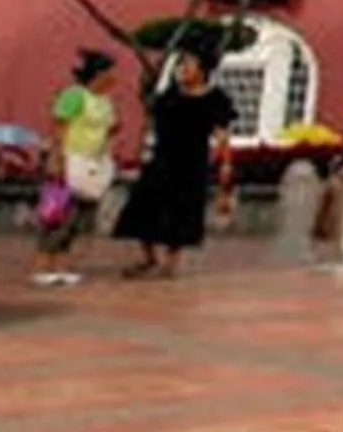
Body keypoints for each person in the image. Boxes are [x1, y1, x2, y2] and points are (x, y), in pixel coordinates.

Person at [114, 48, 236, 278]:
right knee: (143, 206)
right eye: (181, 65)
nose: (183, 69)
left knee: (181, 211)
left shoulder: (216, 99)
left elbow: (222, 135)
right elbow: (152, 126)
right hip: (162, 157)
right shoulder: (169, 95)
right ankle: (148, 257)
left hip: (192, 161)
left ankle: (170, 261)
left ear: (203, 71)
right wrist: (143, 152)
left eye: (189, 65)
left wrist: (225, 164)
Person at [34, 52, 119, 288]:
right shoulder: (74, 95)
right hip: (70, 157)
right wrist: (56, 158)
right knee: (56, 214)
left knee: (77, 219)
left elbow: (111, 127)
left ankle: (62, 265)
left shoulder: (105, 101)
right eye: (109, 72)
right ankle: (44, 265)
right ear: (98, 74)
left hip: (92, 163)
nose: (113, 77)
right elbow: (59, 126)